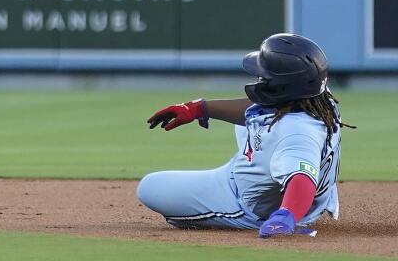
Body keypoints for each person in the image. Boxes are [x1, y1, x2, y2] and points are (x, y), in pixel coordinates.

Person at [138, 33, 354, 237]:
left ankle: (272, 217)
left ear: (281, 87)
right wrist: (199, 108)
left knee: (150, 187)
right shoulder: (315, 100)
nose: (259, 77)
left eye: (264, 76)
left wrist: (285, 216)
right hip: (264, 178)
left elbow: (302, 179)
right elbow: (260, 108)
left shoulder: (296, 133)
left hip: (242, 202)